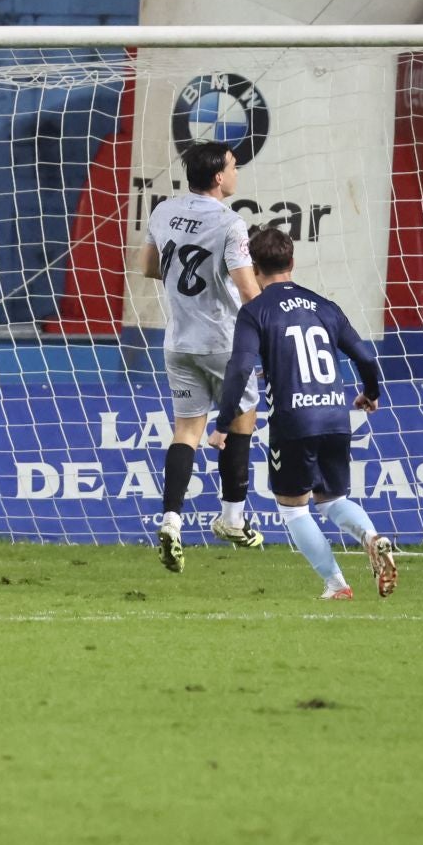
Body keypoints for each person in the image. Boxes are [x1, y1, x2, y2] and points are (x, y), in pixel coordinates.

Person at [210, 228, 396, 600]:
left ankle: (337, 584)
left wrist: (223, 422)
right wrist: (370, 393)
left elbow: (239, 368)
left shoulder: (255, 311)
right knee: (331, 500)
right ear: (292, 262)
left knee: (294, 509)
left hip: (294, 421)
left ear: (254, 267)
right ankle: (372, 536)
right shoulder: (325, 306)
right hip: (335, 417)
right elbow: (365, 357)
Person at [141, 140, 265, 571]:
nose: (236, 172)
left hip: (178, 341)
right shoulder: (231, 224)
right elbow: (249, 291)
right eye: (233, 166)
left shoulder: (161, 211)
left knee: (186, 433)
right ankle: (232, 518)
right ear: (218, 177)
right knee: (244, 416)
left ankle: (171, 520)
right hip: (222, 342)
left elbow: (149, 268)